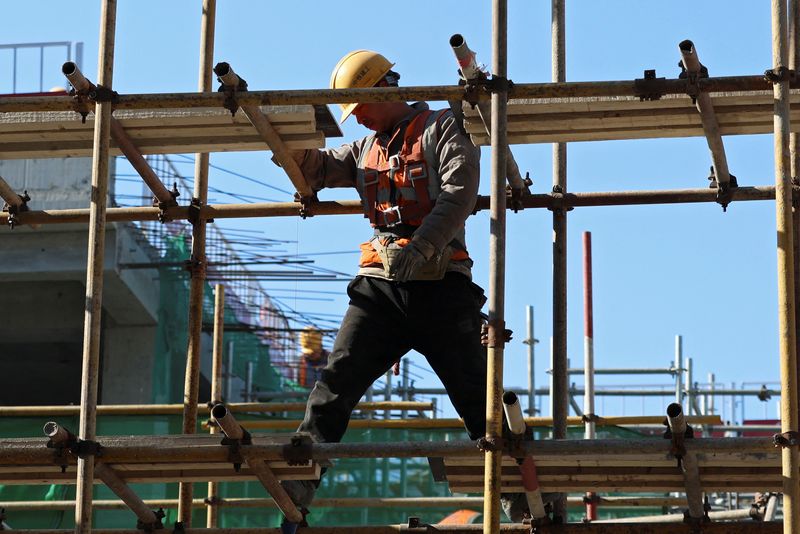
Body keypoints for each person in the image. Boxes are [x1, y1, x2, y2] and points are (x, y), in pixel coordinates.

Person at [276, 49, 532, 525]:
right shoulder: (363, 150)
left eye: (362, 107)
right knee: (336, 383)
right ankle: (300, 479)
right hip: (381, 290)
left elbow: (461, 192)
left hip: (442, 285)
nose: (359, 120)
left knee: (477, 394)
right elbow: (314, 170)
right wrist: (282, 138)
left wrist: (424, 245)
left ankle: (520, 496)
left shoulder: (441, 127)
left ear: (385, 89)